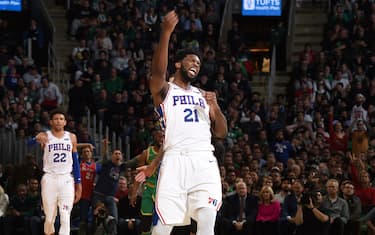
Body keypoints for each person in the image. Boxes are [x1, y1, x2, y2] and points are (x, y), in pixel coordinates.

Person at [137, 10, 228, 235]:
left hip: (203, 159)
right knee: (162, 228)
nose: (196, 64)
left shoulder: (203, 95)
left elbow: (222, 133)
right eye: (191, 60)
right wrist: (166, 33)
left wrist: (215, 108)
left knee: (207, 219)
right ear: (178, 64)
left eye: (198, 63)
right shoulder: (166, 90)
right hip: (175, 160)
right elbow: (157, 72)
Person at [35, 109, 82, 235]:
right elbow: (29, 144)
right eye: (56, 119)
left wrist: (78, 182)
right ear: (51, 122)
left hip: (66, 178)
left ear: (65, 122)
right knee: (49, 218)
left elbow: (75, 161)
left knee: (65, 216)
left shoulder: (72, 137)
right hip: (49, 178)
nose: (59, 121)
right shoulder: (45, 136)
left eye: (61, 119)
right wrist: (35, 138)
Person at [128, 128, 164, 235]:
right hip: (149, 189)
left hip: (163, 190)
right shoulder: (146, 153)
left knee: (162, 223)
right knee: (145, 223)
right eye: (159, 136)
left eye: (163, 136)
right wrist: (134, 193)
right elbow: (139, 175)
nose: (161, 139)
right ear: (154, 137)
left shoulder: (169, 153)